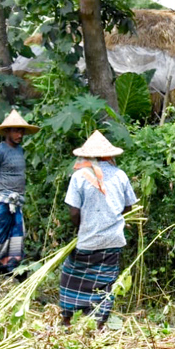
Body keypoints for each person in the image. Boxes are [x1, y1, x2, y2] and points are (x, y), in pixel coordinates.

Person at [59, 130, 138, 329]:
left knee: (71, 278)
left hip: (89, 240)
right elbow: (129, 207)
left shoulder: (79, 177)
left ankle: (67, 320)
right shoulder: (120, 175)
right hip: (113, 240)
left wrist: (82, 228)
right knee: (105, 283)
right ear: (109, 155)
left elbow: (74, 213)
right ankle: (99, 324)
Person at [0, 109, 38, 294]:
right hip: (0, 202)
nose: (19, 135)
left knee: (16, 239)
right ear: (7, 132)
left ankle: (11, 277)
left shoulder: (20, 151)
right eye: (15, 131)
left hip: (16, 203)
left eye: (21, 131)